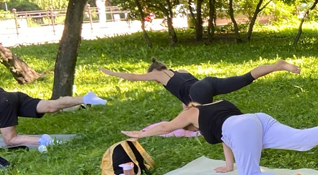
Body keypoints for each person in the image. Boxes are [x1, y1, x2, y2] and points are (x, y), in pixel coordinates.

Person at [121, 100, 318, 175]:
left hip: (241, 129)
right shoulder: (216, 105)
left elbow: (166, 127)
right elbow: (227, 138)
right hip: (256, 120)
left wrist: (140, 134)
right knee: (300, 140)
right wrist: (229, 165)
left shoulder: (191, 113)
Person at [100, 58, 301, 108]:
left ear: (154, 71)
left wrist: (109, 72)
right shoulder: (181, 71)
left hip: (199, 90)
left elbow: (133, 77)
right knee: (245, 78)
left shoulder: (159, 75)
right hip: (208, 83)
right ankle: (277, 65)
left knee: (205, 119)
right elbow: (187, 94)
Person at [0, 87, 107, 147]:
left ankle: (45, 141)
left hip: (3, 103)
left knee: (10, 139)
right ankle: (85, 99)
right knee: (51, 106)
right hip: (11, 96)